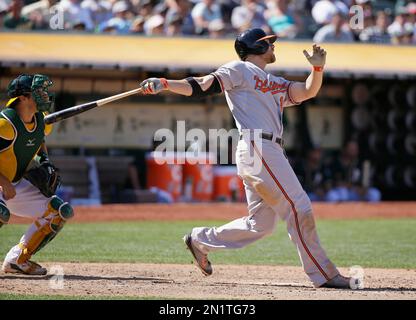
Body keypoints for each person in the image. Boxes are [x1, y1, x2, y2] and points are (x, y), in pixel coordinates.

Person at [139, 28, 358, 289]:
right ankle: (325, 274)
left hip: (265, 150)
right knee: (299, 207)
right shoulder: (239, 69)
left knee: (261, 225)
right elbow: (201, 86)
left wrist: (318, 70)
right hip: (258, 146)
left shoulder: (274, 81)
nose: (273, 46)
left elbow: (307, 92)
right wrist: (165, 83)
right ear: (255, 47)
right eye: (268, 43)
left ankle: (199, 240)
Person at [0, 74, 74, 275]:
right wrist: (3, 181)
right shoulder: (5, 125)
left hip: (13, 184)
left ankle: (18, 260)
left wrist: (45, 161)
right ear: (23, 98)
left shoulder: (42, 121)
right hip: (3, 183)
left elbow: (39, 139)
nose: (45, 95)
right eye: (38, 91)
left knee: (58, 211)